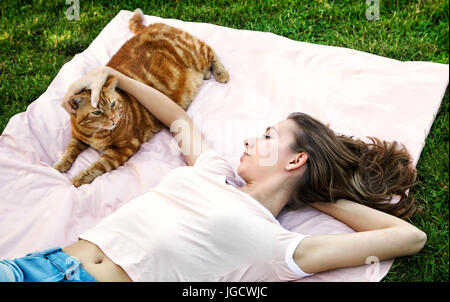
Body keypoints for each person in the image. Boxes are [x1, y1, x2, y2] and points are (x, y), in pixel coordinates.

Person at [0, 66, 427, 282]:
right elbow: (176, 118)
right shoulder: (213, 169)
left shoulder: (279, 245)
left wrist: (312, 193)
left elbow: (409, 238)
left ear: (295, 161)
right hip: (38, 266)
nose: (248, 141)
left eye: (267, 136)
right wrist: (118, 78)